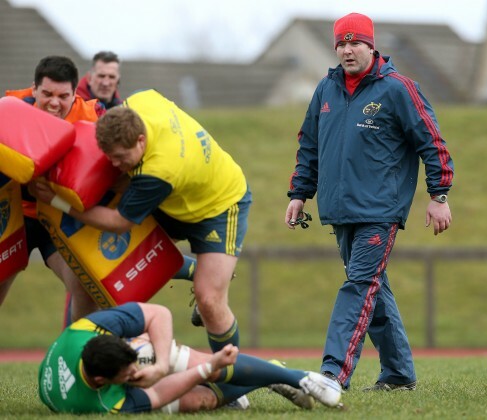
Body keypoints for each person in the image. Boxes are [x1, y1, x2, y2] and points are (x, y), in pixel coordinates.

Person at [284, 12, 454, 391]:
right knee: (374, 291)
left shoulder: (398, 88)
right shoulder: (325, 90)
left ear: (371, 45)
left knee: (358, 286)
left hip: (380, 211)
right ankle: (398, 374)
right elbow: (308, 145)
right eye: (341, 44)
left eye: (354, 43)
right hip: (339, 210)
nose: (347, 50)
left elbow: (433, 142)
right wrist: (299, 194)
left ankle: (332, 375)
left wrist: (438, 195)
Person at [33, 89, 252, 356]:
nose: (114, 163)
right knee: (118, 261)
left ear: (140, 140)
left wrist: (59, 201)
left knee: (210, 300)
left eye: (121, 157)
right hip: (176, 195)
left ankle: (231, 379)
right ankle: (79, 354)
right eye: (109, 155)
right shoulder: (139, 102)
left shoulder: (158, 171)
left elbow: (119, 222)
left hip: (218, 206)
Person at [38, 301, 342, 414]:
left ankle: (299, 377)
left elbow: (158, 313)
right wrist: (209, 367)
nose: (133, 373)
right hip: (101, 383)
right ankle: (270, 374)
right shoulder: (102, 403)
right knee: (202, 400)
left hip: (104, 356)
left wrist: (159, 364)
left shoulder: (84, 330)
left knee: (154, 350)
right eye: (127, 374)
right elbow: (156, 395)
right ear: (104, 382)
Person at [2, 56, 105, 319]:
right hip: (15, 217)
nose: (54, 102)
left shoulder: (95, 119)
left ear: (75, 93)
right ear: (34, 89)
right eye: (46, 94)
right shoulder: (10, 113)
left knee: (86, 289)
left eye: (63, 95)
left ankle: (76, 352)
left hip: (58, 220)